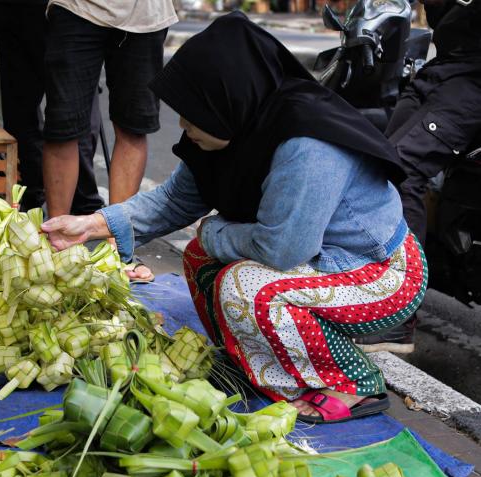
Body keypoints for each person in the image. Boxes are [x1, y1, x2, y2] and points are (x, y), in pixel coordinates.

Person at [42, 13, 428, 423]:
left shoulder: (307, 141)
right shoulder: (235, 121)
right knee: (201, 258)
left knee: (247, 289)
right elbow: (175, 199)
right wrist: (91, 225)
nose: (185, 126)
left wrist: (213, 231)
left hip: (379, 273)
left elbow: (283, 249)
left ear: (227, 97)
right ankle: (248, 356)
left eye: (193, 113)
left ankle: (353, 384)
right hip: (317, 261)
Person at [355, 0, 481, 353]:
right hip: (444, 65)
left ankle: (398, 319)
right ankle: (365, 292)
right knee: (376, 163)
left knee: (402, 172)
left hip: (472, 78)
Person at [41, 0, 177, 218]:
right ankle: (57, 236)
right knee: (62, 127)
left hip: (146, 16)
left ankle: (117, 238)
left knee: (133, 126)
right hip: (77, 9)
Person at [0, 0, 105, 214]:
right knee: (38, 104)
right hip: (39, 12)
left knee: (62, 104)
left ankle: (50, 194)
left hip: (65, 12)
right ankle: (73, 196)